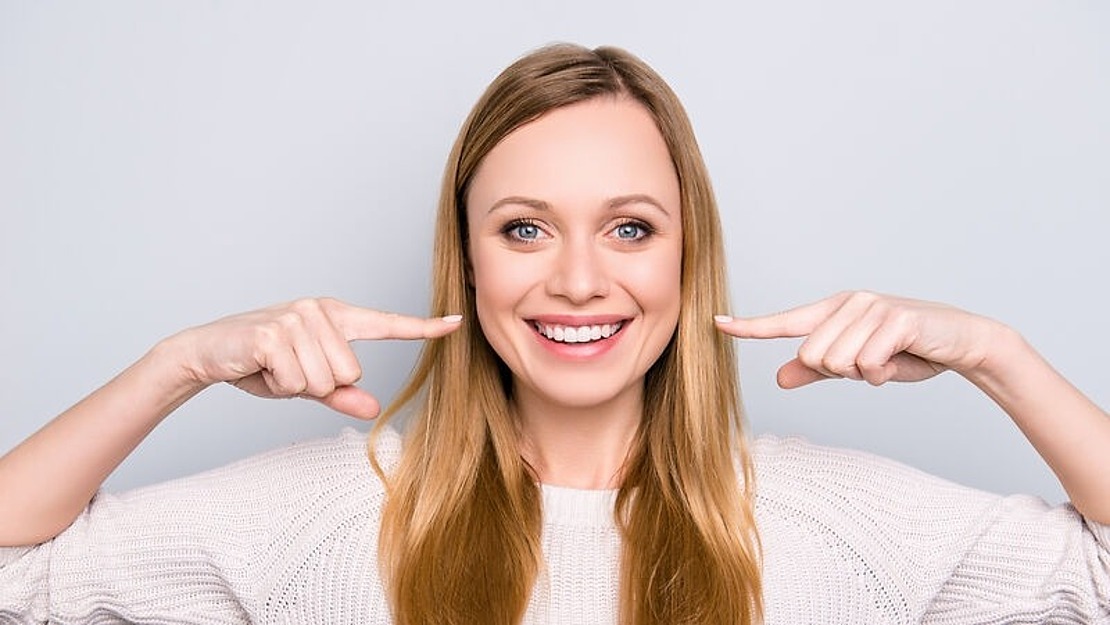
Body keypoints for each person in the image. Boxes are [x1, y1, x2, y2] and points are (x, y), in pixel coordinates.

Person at [1, 43, 1107, 625]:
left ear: (686, 256)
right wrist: (178, 365)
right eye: (525, 228)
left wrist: (994, 355)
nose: (580, 281)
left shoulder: (836, 523)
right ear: (470, 260)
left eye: (630, 227)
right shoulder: (322, 514)